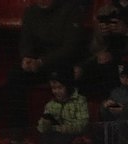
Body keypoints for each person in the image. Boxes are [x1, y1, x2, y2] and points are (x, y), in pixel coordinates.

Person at [15, 0, 88, 131]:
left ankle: (70, 127)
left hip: (62, 62)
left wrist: (42, 62)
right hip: (39, 64)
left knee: (71, 75)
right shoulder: (30, 12)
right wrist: (26, 57)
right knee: (15, 76)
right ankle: (19, 129)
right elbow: (25, 39)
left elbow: (71, 47)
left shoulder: (71, 10)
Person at [36, 68, 91, 144]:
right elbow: (41, 128)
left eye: (60, 88)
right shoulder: (50, 104)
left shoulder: (80, 100)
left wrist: (61, 128)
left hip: (73, 134)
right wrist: (45, 123)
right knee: (45, 138)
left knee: (58, 141)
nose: (56, 91)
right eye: (53, 88)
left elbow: (82, 123)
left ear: (68, 86)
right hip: (55, 134)